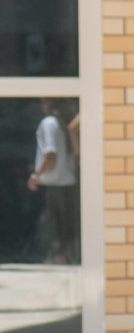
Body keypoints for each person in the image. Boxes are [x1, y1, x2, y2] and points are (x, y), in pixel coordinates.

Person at [27, 97, 77, 264]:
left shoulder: (48, 123)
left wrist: (37, 175)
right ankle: (63, 255)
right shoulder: (61, 124)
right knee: (64, 222)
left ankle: (57, 257)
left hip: (53, 182)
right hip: (66, 181)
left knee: (53, 222)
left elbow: (50, 155)